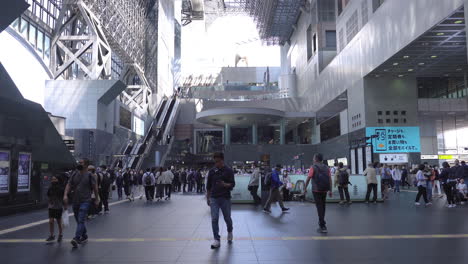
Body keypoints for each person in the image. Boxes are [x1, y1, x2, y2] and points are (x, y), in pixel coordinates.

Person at [63, 158, 99, 248]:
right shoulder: (74, 173)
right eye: (79, 162)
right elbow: (69, 184)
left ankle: (76, 238)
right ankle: (84, 235)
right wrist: (65, 195)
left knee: (81, 219)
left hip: (85, 200)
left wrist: (96, 199)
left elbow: (95, 188)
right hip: (75, 200)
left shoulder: (90, 175)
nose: (79, 164)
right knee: (78, 219)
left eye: (81, 163)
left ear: (86, 165)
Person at [206, 152, 236, 249]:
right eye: (215, 162)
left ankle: (230, 231)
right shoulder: (212, 171)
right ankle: (216, 239)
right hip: (214, 198)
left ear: (222, 160)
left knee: (227, 218)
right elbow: (208, 186)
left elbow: (232, 184)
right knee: (214, 218)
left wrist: (225, 184)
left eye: (218, 161)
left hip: (225, 198)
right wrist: (208, 198)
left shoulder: (228, 171)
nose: (217, 163)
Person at [305, 154, 332, 233]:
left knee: (319, 207)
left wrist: (305, 188)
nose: (313, 159)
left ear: (316, 159)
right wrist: (330, 190)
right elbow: (330, 179)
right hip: (324, 189)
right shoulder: (327, 167)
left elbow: (308, 178)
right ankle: (322, 223)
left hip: (316, 190)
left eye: (313, 158)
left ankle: (322, 225)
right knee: (323, 206)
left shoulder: (313, 167)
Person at [46, 175, 65, 242]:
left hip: (58, 207)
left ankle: (60, 234)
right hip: (51, 207)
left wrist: (65, 206)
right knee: (51, 221)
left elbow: (64, 198)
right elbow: (48, 196)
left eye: (55, 179)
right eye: (52, 179)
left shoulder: (61, 189)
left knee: (59, 222)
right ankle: (52, 235)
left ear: (58, 180)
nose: (53, 181)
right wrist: (49, 203)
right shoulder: (50, 188)